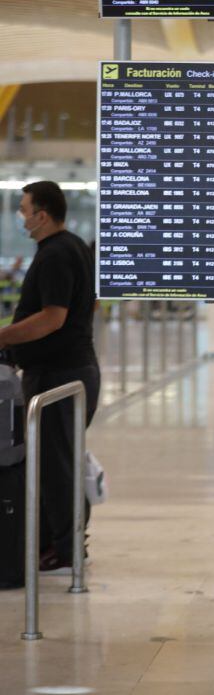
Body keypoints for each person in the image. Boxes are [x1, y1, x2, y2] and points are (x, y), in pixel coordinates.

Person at [0, 181, 99, 572]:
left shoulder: (57, 254)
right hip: (68, 369)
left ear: (41, 215)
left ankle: (66, 549)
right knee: (56, 463)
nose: (22, 217)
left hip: (60, 376)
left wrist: (4, 334)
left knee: (56, 467)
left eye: (24, 210)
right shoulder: (70, 246)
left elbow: (52, 318)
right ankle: (60, 542)